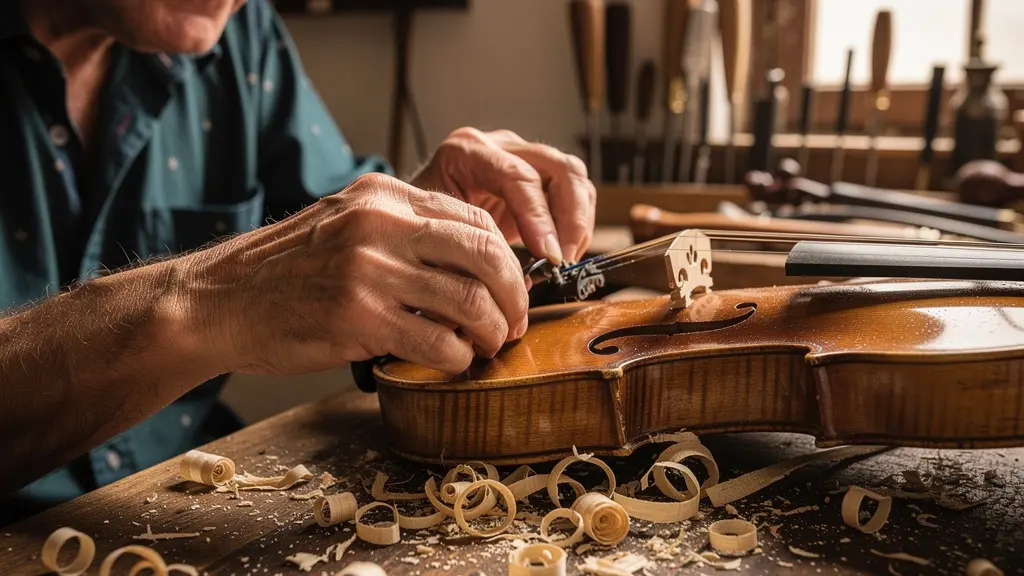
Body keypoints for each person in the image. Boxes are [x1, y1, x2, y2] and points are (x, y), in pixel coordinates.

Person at [0, 0, 595, 522]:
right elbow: (265, 272)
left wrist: (426, 226)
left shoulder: (239, 31)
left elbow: (321, 249)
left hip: (193, 494)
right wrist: (215, 301)